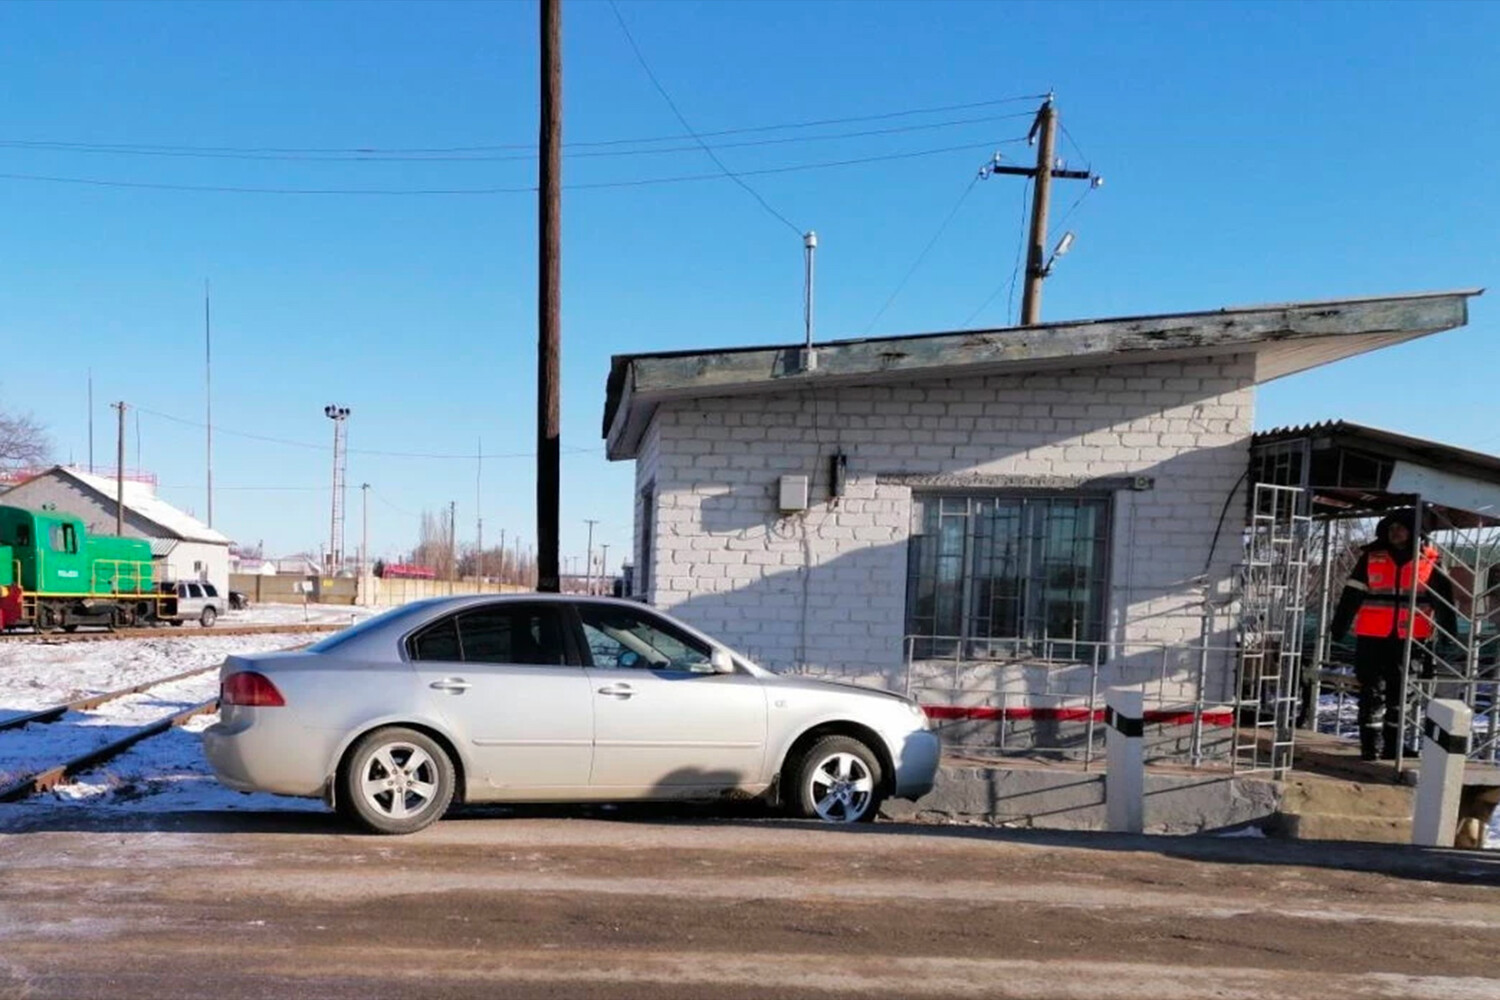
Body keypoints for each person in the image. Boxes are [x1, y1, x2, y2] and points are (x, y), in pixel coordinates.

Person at [1329, 512, 1456, 761]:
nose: (1395, 532)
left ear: (1414, 532)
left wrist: (1448, 635)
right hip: (1372, 638)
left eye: (1401, 528)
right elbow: (1350, 596)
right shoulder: (1371, 558)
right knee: (1372, 692)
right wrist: (1339, 627)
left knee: (1402, 694)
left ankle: (1393, 747)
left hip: (1410, 638)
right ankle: (1369, 747)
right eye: (1391, 528)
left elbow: (1445, 603)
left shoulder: (1430, 562)